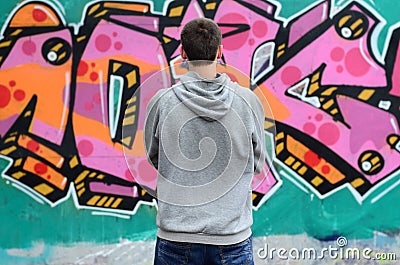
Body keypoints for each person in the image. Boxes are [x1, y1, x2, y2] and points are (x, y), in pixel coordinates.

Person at [144, 17, 265, 265]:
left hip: (175, 238)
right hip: (232, 239)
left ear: (182, 52)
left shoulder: (161, 101)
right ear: (220, 51)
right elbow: (257, 162)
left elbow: (154, 157)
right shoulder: (248, 101)